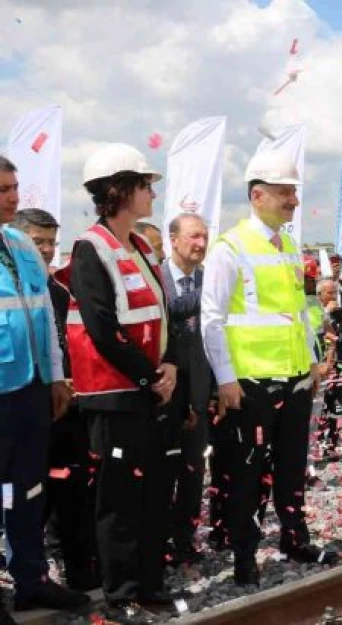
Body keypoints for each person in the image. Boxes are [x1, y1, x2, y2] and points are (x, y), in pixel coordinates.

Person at [200, 150, 339, 587]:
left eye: (294, 193)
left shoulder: (289, 247)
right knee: (246, 472)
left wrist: (313, 362)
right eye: (285, 193)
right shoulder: (231, 247)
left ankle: (295, 539)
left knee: (292, 468)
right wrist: (225, 377)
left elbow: (299, 312)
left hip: (296, 377)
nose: (293, 201)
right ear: (257, 195)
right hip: (252, 382)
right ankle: (244, 555)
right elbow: (212, 317)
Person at [64, 144, 181, 622]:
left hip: (150, 389)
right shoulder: (90, 248)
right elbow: (101, 326)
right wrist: (150, 374)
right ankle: (121, 595)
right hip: (117, 395)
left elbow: (161, 315)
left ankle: (150, 585)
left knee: (153, 493)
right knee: (119, 501)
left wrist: (169, 364)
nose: (152, 191)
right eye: (144, 184)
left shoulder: (142, 246)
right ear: (119, 190)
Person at [0, 159, 90, 620]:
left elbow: (44, 318)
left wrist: (56, 376)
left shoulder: (19, 244)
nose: (14, 197)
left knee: (28, 489)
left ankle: (31, 580)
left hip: (31, 386)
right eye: (3, 190)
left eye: (14, 187)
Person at [12, 208, 99, 591]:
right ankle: (30, 576)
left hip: (65, 408)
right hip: (19, 407)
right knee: (26, 497)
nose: (45, 249)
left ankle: (78, 572)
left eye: (51, 242)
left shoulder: (61, 291)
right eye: (38, 240)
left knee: (72, 494)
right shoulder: (14, 287)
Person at [159, 214, 217, 566]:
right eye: (194, 236)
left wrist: (209, 394)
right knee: (160, 474)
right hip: (160, 398)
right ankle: (157, 539)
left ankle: (185, 540)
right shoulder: (154, 279)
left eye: (205, 237)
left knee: (193, 474)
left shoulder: (210, 280)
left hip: (198, 395)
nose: (200, 244)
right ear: (174, 240)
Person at [313, 277, 342, 459]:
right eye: (329, 292)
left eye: (336, 292)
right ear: (319, 295)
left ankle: (331, 444)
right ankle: (315, 446)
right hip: (321, 370)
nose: (333, 296)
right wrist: (325, 312)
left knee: (337, 408)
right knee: (320, 408)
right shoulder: (314, 313)